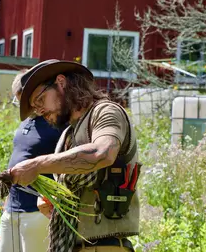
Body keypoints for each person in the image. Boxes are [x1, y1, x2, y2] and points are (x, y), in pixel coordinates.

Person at [9, 60, 140, 252]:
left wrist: (36, 165)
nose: (40, 111)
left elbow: (102, 153)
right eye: (35, 108)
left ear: (61, 82)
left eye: (40, 100)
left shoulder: (106, 112)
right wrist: (56, 205)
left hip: (105, 247)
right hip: (76, 245)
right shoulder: (69, 133)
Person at [0, 70, 63, 252]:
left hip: (37, 212)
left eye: (25, 101)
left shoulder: (57, 122)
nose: (24, 107)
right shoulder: (25, 121)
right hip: (12, 209)